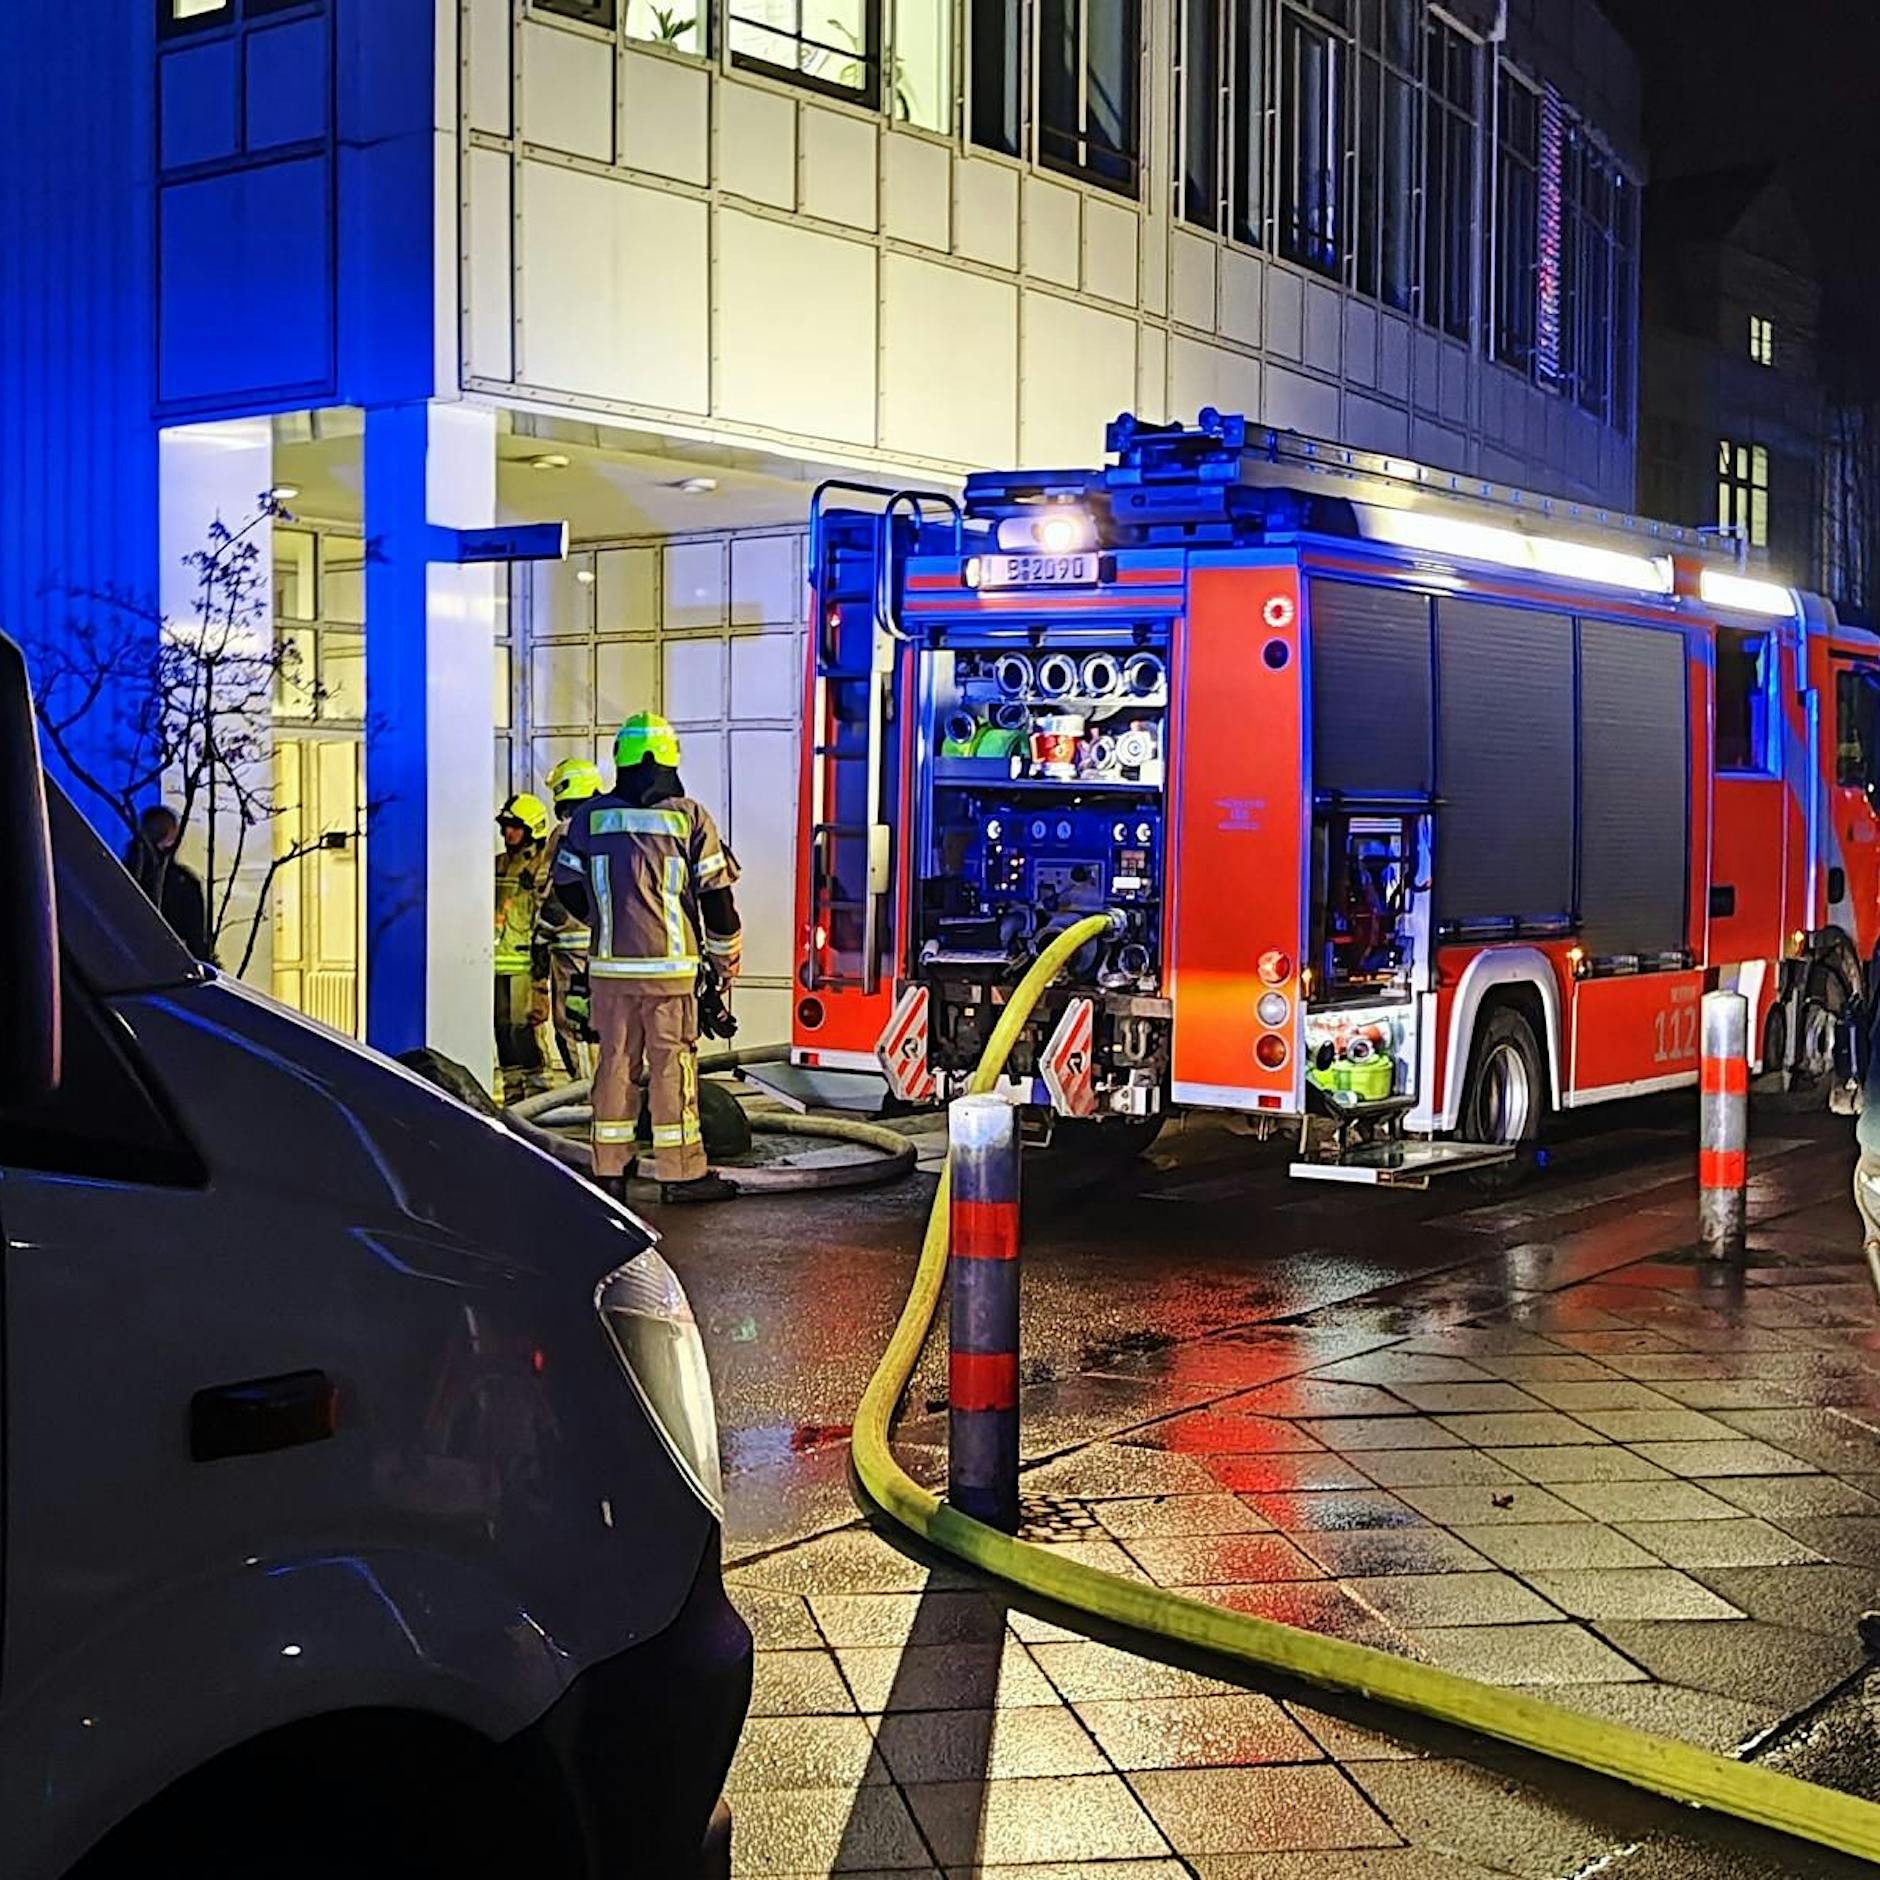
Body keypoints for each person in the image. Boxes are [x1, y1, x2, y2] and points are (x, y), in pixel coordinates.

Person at [553, 713, 743, 1205]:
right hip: (671, 975)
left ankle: (610, 1171)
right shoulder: (688, 817)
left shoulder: (587, 820)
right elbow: (718, 902)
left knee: (614, 1066)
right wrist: (724, 963)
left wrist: (606, 922)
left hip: (609, 972)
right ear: (669, 758)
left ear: (621, 759)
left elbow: (567, 887)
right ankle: (680, 1175)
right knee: (670, 1070)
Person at [539, 757, 604, 1082]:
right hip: (609, 946)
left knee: (574, 1023)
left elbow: (555, 890)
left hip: (570, 946)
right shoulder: (609, 825)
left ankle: (586, 1094)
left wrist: (540, 936)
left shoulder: (567, 832)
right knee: (601, 1023)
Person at [493, 791, 553, 1104]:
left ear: (532, 829)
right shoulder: (498, 864)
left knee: (523, 1029)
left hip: (526, 963)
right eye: (505, 826)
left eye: (515, 826)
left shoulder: (543, 867)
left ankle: (540, 1092)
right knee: (502, 1029)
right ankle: (513, 1091)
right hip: (496, 961)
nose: (508, 833)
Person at [124, 805, 215, 963]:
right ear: (171, 837)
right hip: (172, 972)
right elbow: (197, 942)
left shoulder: (121, 876)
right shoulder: (184, 884)